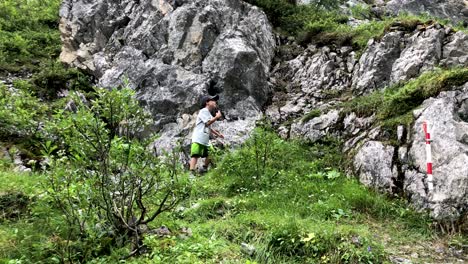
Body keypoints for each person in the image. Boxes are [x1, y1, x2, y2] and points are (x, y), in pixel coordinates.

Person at [189, 94, 224, 174]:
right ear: (207, 102)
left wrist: (218, 134)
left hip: (205, 139)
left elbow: (209, 127)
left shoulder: (207, 113)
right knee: (195, 154)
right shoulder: (203, 111)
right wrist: (217, 117)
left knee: (211, 153)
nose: (215, 102)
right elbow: (207, 123)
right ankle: (192, 172)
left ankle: (204, 168)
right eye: (213, 100)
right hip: (198, 137)